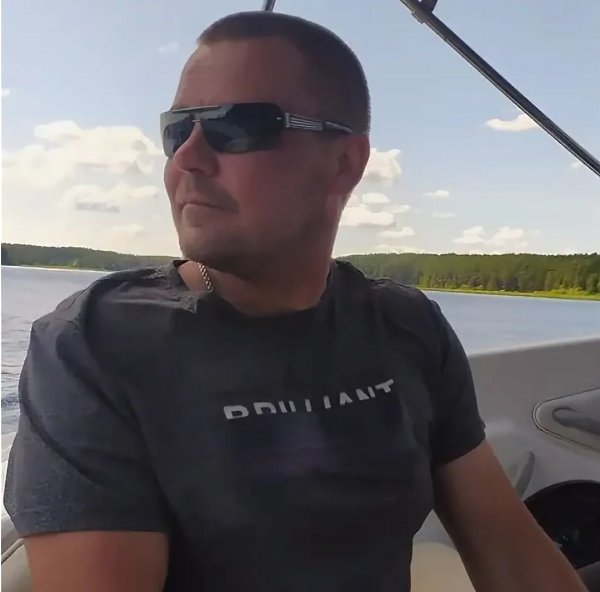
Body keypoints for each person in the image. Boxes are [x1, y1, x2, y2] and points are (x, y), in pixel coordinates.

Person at [4, 10, 588, 592]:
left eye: (237, 126)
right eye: (178, 130)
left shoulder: (406, 325)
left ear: (344, 163)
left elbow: (510, 553)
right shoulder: (96, 346)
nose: (187, 158)